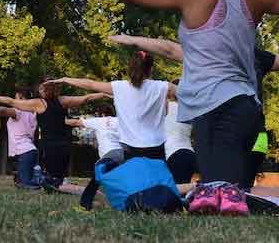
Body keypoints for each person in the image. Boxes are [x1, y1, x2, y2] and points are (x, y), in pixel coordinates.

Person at [32, 0, 279, 214]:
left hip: (215, 111)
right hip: (242, 109)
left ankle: (229, 198)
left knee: (223, 194)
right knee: (219, 191)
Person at [110, 34, 277, 187]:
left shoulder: (213, 54)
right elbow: (169, 49)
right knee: (242, 174)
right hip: (254, 128)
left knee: (224, 176)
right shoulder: (255, 55)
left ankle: (229, 195)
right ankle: (237, 194)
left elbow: (170, 49)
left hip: (226, 128)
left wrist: (133, 40)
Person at [0, 80, 110, 187]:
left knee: (52, 182)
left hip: (49, 146)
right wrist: (104, 94)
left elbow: (10, 102)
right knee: (59, 179)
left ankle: (78, 191)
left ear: (43, 90)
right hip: (65, 145)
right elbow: (86, 98)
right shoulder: (64, 101)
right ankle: (59, 184)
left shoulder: (38, 104)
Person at [47, 51, 175, 161]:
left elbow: (90, 84)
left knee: (136, 183)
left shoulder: (118, 87)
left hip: (131, 147)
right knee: (156, 182)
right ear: (151, 69)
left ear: (130, 68)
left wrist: (65, 79)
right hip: (156, 144)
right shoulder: (163, 86)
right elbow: (188, 95)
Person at [0, 86, 39, 188]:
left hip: (24, 151)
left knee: (25, 184)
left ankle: (44, 180)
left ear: (21, 98)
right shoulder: (34, 113)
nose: (14, 101)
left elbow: (5, 110)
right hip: (29, 150)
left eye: (15, 98)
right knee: (20, 181)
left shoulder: (19, 111)